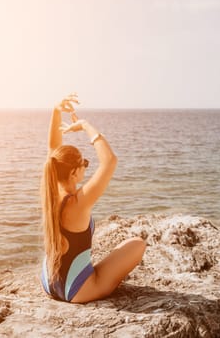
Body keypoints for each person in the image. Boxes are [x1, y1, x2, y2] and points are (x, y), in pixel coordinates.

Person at [39, 93, 146, 303]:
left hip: (48, 282)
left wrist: (56, 111)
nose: (86, 167)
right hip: (76, 290)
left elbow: (53, 151)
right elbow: (109, 161)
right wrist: (86, 126)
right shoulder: (77, 203)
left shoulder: (50, 191)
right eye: (84, 164)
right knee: (137, 244)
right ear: (73, 173)